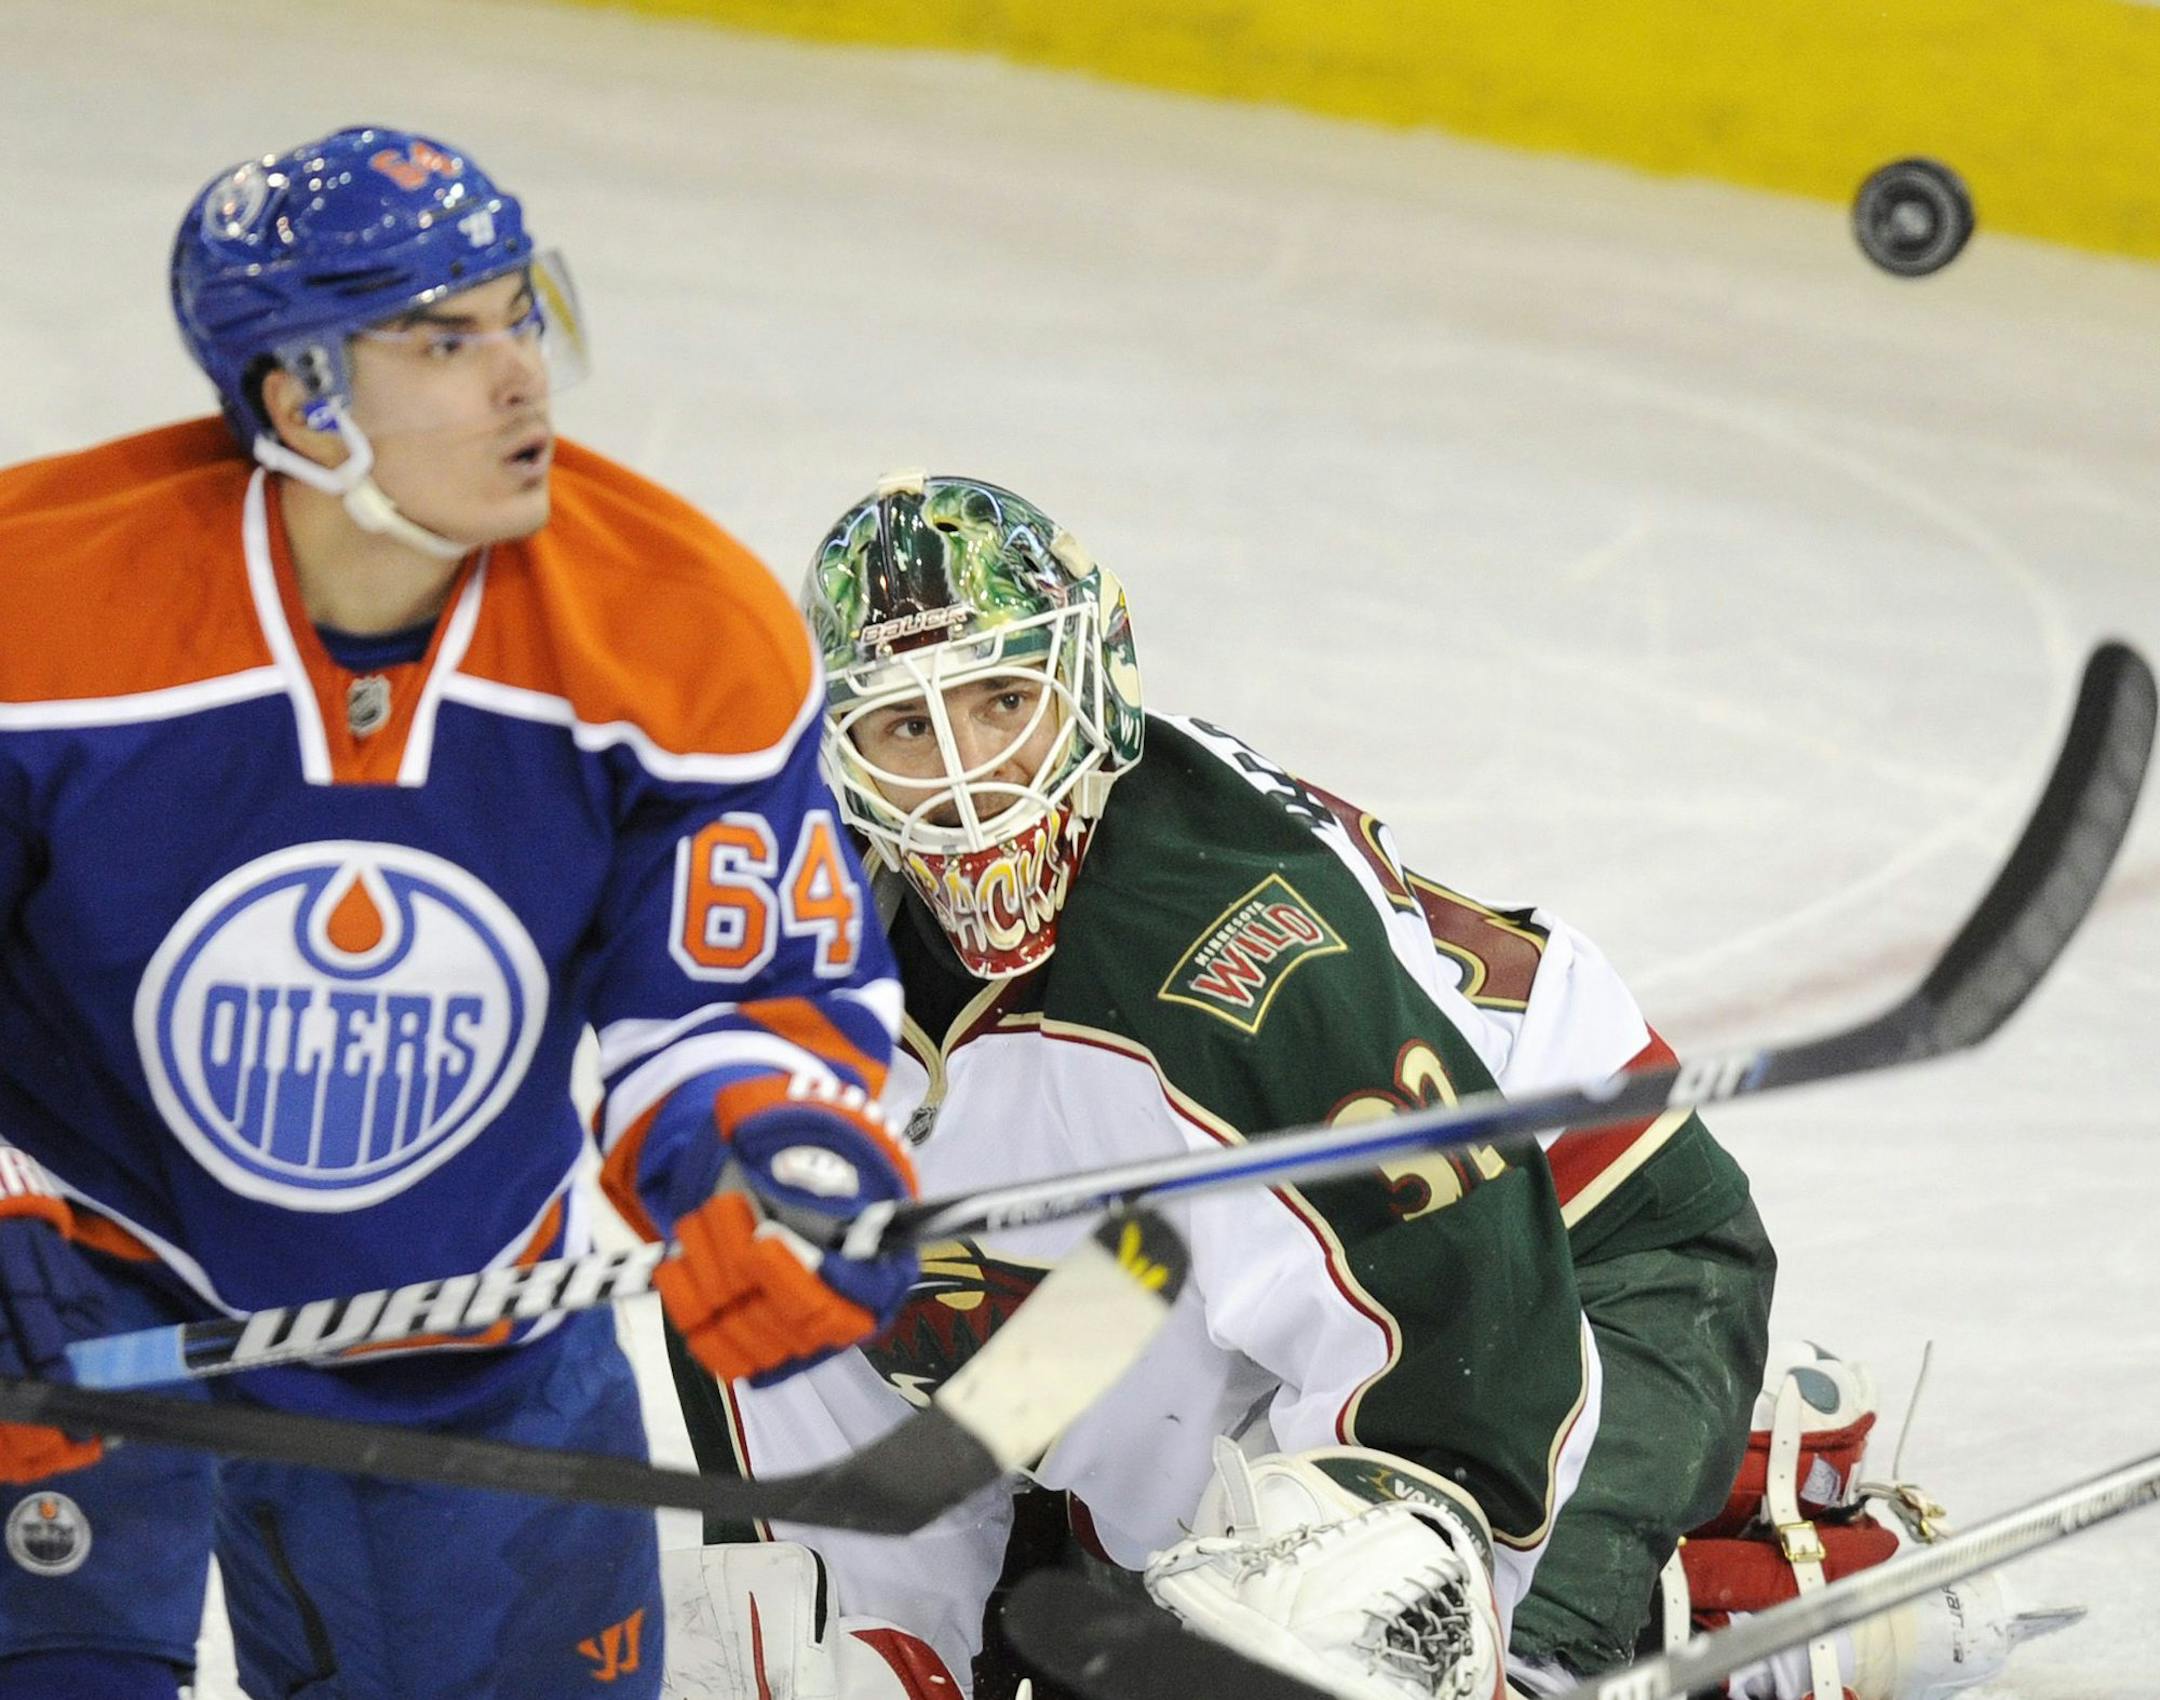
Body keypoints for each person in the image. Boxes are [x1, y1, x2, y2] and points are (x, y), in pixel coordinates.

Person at [0, 126, 917, 1700]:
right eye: (443, 338)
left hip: (463, 1299)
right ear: (300, 398)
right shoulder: (37, 613)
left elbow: (731, 995)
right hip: (75, 1274)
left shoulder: (678, 633)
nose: (521, 378)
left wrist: (770, 1160)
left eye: (518, 313)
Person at [666, 469, 1778, 1700]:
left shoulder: (1227, 954)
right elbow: (837, 1501)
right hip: (1146, 1295)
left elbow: (1462, 1322)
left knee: (1354, 1636)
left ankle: (1753, 1581)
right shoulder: (770, 1013)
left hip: (1571, 1249)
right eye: (911, 728)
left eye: (1002, 702)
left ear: (1092, 688)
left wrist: (1387, 1601)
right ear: (840, 751)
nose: (973, 785)